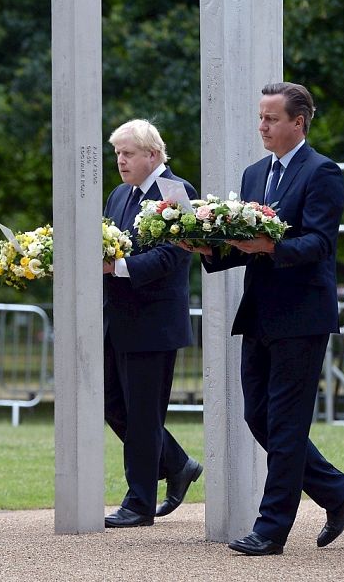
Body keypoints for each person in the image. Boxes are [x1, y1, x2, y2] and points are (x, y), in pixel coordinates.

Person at [185, 83, 344, 554]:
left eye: (271, 118)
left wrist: (270, 246)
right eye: (260, 117)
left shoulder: (322, 171)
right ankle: (337, 492)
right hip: (260, 314)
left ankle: (271, 530)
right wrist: (207, 249)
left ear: (298, 122)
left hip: (303, 316)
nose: (261, 126)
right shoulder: (253, 174)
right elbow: (245, 249)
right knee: (259, 417)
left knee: (286, 426)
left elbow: (321, 245)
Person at [101, 119, 203, 528]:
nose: (120, 161)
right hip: (119, 318)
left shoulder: (178, 193)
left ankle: (139, 502)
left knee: (143, 414)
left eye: (127, 153)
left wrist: (117, 266)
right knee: (112, 405)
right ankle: (177, 463)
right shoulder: (119, 194)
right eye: (117, 153)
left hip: (154, 321)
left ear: (153, 155)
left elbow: (174, 256)